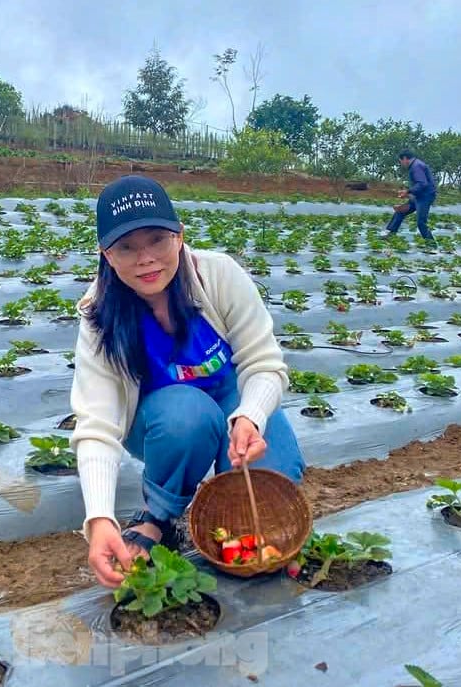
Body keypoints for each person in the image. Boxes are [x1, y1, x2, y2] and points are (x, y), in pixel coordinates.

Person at [69, 175, 305, 588]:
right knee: (187, 413)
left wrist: (250, 416)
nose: (145, 259)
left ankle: (232, 498)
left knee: (274, 494)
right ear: (106, 254)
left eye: (157, 239)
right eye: (126, 247)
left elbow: (263, 363)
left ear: (179, 237)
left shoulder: (218, 276)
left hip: (231, 400)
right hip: (166, 421)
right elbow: (97, 422)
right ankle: (159, 515)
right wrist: (99, 518)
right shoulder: (99, 312)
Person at [383, 150, 437, 245]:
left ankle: (431, 245)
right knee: (400, 211)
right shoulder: (416, 165)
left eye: (400, 162)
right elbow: (420, 185)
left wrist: (408, 191)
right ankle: (389, 234)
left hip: (425, 197)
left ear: (404, 159)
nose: (401, 164)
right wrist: (408, 194)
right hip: (418, 196)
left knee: (421, 222)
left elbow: (422, 184)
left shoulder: (416, 166)